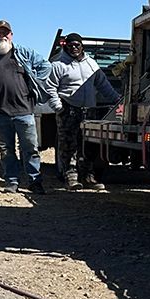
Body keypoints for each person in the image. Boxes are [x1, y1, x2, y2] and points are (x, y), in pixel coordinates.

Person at [0, 20, 57, 194]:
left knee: (30, 149)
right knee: (6, 150)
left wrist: (34, 81)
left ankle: (35, 182)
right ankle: (11, 182)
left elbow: (46, 66)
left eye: (6, 32)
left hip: (24, 111)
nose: (3, 35)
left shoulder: (23, 53)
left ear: (11, 35)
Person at [48, 33, 120, 190]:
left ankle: (88, 176)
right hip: (68, 109)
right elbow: (49, 87)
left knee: (88, 145)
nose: (74, 47)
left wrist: (118, 100)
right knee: (68, 145)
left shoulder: (91, 64)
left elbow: (103, 85)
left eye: (77, 45)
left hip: (89, 111)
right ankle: (71, 177)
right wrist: (58, 107)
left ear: (82, 47)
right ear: (65, 46)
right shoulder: (58, 64)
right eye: (70, 45)